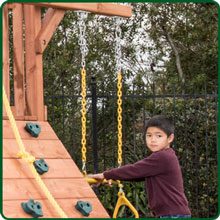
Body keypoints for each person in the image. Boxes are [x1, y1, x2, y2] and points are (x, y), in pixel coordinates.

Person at [88, 115, 191, 218]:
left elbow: (134, 170)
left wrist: (105, 175)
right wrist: (110, 176)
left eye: (159, 136)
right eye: (149, 135)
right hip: (173, 213)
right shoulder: (166, 156)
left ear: (170, 138)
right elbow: (136, 175)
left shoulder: (162, 157)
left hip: (173, 214)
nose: (153, 140)